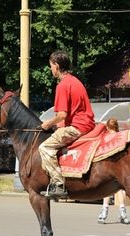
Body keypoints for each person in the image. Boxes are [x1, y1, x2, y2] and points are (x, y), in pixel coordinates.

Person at [39, 50, 95, 199]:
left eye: (51, 66)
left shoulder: (63, 85)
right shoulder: (75, 80)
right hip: (86, 124)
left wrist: (47, 123)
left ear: (56, 66)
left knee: (44, 147)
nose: (51, 69)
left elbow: (62, 115)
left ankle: (58, 184)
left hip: (77, 127)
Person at [97, 118, 130, 224]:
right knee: (119, 190)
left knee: (107, 189)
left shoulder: (105, 137)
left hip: (107, 166)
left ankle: (104, 213)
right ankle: (123, 213)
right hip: (119, 166)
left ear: (107, 127)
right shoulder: (120, 136)